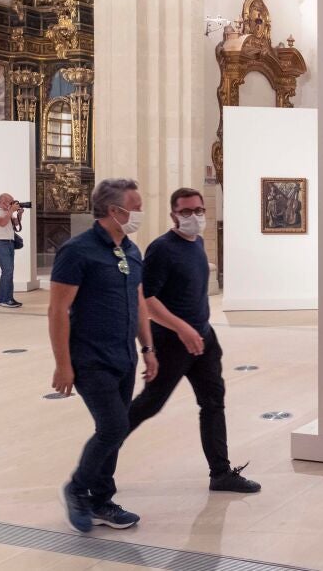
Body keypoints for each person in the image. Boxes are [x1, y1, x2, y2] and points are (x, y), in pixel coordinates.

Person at [125, 188, 261, 494]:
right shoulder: (161, 249)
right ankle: (98, 463)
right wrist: (181, 329)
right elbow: (147, 300)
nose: (194, 217)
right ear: (173, 215)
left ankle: (221, 473)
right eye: (186, 212)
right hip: (172, 342)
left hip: (204, 340)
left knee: (213, 403)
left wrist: (200, 330)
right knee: (149, 404)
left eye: (199, 210)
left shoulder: (197, 243)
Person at [50, 178, 159, 533]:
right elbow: (57, 310)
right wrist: (63, 365)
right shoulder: (77, 251)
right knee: (114, 426)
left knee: (114, 430)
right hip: (90, 358)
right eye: (136, 207)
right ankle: (77, 489)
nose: (140, 213)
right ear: (114, 210)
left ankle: (101, 501)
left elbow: (138, 302)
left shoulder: (131, 250)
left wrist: (148, 348)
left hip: (124, 356)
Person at [0, 193, 23, 308]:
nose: (12, 204)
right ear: (3, 202)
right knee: (8, 271)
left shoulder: (6, 210)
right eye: (10, 202)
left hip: (9, 242)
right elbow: (2, 223)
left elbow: (15, 223)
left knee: (7, 271)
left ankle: (1, 299)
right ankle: (7, 300)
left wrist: (19, 214)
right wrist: (11, 211)